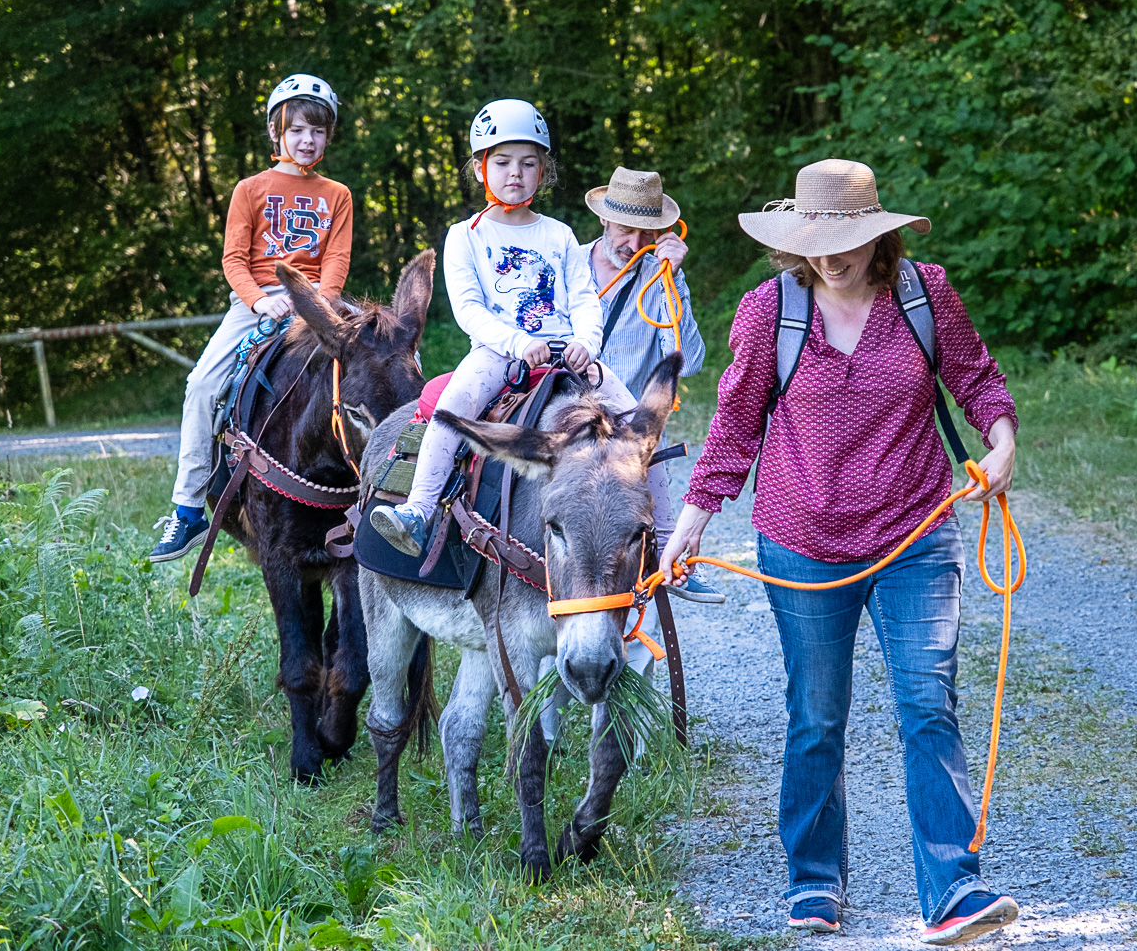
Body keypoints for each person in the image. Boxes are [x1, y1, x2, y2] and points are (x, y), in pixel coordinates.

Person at [658, 159, 1021, 945]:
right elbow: (734, 426)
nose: (830, 257)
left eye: (845, 241)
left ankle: (954, 890)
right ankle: (815, 882)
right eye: (814, 244)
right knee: (816, 717)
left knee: (929, 705)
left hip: (918, 533)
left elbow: (978, 380)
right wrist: (693, 518)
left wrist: (1002, 442)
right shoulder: (770, 312)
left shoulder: (925, 296)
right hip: (802, 541)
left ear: (876, 235)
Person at [370, 100, 640, 557]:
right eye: (502, 162)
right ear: (480, 169)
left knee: (637, 422)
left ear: (543, 172)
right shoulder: (466, 235)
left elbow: (583, 298)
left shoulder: (559, 234)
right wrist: (517, 342)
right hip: (498, 353)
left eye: (528, 163)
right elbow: (469, 308)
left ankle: (668, 538)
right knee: (452, 408)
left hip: (566, 353)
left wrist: (585, 343)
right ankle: (418, 509)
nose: (515, 172)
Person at [150, 74, 352, 563]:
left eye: (318, 132)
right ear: (275, 132)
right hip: (257, 301)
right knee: (200, 385)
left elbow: (336, 261)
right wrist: (261, 302)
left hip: (318, 304)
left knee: (377, 366)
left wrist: (314, 305)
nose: (308, 140)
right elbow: (233, 259)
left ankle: (395, 494)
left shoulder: (338, 193)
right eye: (298, 130)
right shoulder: (250, 188)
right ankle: (188, 506)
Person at [583, 166, 720, 605]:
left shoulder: (658, 276)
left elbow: (690, 361)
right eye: (626, 232)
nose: (635, 246)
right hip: (568, 411)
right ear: (604, 221)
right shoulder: (568, 262)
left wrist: (671, 278)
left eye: (648, 236)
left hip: (626, 425)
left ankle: (665, 561)